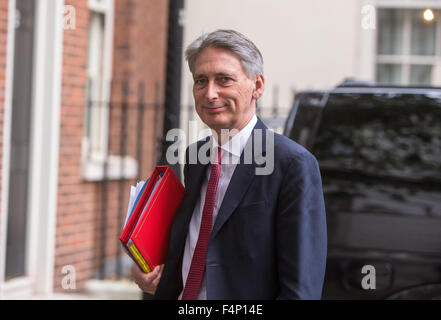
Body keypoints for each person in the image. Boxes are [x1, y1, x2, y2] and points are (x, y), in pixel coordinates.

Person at [132, 29, 327, 299]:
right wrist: (151, 271)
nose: (210, 93)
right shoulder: (194, 158)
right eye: (201, 80)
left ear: (257, 86)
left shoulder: (292, 165)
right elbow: (198, 248)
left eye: (224, 79)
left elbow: (301, 289)